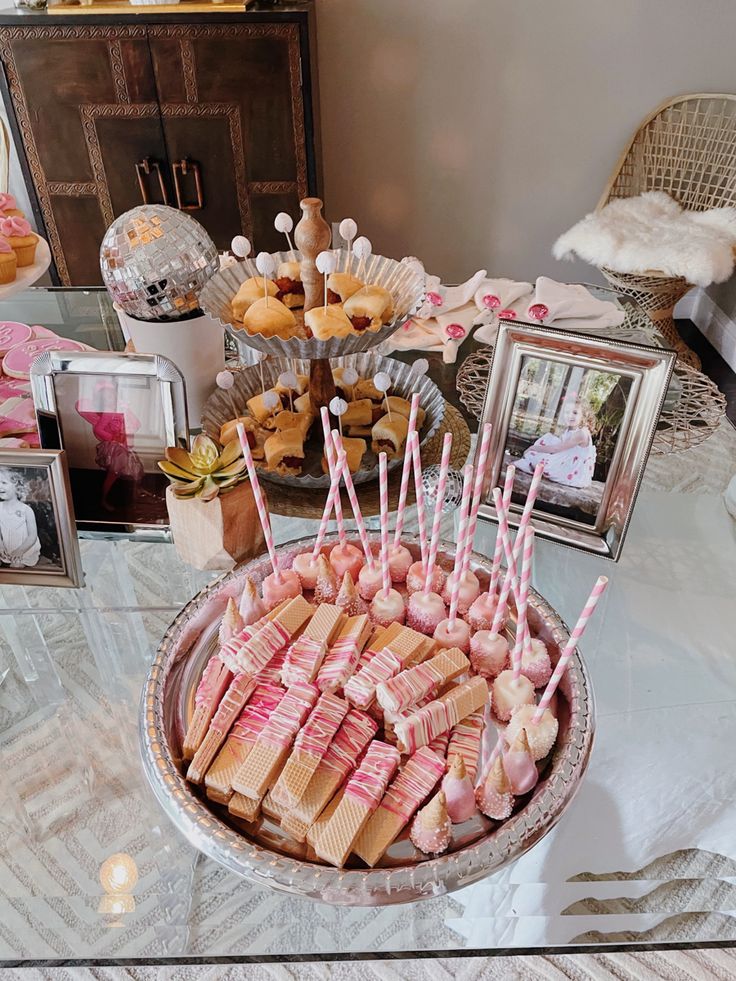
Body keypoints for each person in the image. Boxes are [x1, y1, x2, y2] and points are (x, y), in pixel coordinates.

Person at [76, 381, 144, 511]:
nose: (110, 398)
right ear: (101, 399)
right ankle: (104, 499)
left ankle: (137, 490)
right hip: (115, 449)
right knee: (113, 474)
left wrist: (127, 425)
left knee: (135, 468)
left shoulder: (121, 408)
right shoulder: (107, 412)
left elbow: (136, 424)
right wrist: (112, 437)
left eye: (112, 395)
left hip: (125, 446)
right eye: (106, 397)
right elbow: (98, 429)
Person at [515, 396, 597, 489]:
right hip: (566, 462)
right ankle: (530, 462)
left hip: (572, 473)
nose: (570, 415)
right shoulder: (571, 430)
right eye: (567, 412)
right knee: (548, 439)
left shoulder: (581, 434)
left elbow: (556, 449)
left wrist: (533, 448)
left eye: (575, 413)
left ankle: (530, 462)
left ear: (583, 415)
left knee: (539, 460)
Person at [0, 467, 41, 567]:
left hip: (25, 550)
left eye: (4, 483)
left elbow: (32, 536)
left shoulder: (26, 510)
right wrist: (1, 547)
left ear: (17, 486)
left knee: (15, 566)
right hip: (5, 549)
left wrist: (19, 551)